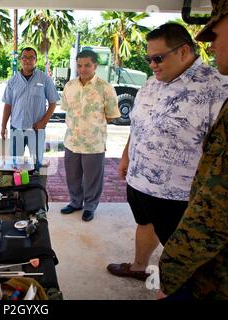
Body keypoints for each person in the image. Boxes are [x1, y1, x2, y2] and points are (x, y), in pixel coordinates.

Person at [106, 23, 228, 281]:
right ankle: (139, 266)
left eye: (158, 58)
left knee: (183, 253)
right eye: (148, 59)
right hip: (139, 181)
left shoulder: (217, 87)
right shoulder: (151, 83)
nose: (152, 65)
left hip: (179, 195)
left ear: (184, 51)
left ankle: (176, 283)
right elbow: (138, 125)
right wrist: (127, 155)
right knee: (144, 223)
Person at [158, 0, 228, 300]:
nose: (211, 47)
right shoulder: (153, 84)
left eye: (216, 35)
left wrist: (170, 273)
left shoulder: (214, 85)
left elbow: (216, 210)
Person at [60, 50, 120, 221]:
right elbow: (67, 109)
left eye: (87, 65)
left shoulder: (105, 88)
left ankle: (90, 206)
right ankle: (75, 202)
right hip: (71, 141)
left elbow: (110, 115)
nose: (83, 69)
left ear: (95, 66)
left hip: (94, 143)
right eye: (79, 65)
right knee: (72, 176)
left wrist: (92, 127)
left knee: (93, 178)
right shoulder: (70, 86)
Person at [1, 47, 59, 168]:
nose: (27, 60)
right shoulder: (12, 81)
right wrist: (3, 126)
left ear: (36, 60)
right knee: (16, 164)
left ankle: (36, 186)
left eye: (31, 57)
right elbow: (8, 104)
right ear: (20, 60)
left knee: (37, 164)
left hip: (37, 129)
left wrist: (43, 122)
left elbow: (53, 102)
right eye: (24, 57)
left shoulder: (44, 79)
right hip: (17, 127)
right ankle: (17, 186)